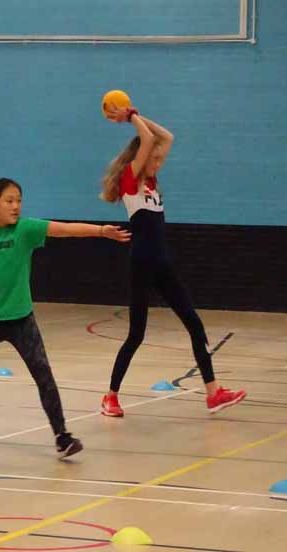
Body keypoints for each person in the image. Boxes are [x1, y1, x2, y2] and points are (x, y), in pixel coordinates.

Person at [0, 177, 131, 458]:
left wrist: (102, 231)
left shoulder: (26, 229)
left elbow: (66, 230)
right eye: (9, 200)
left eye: (19, 200)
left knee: (43, 376)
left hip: (21, 321)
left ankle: (62, 436)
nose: (16, 206)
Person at [99, 105, 246, 417]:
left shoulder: (152, 184)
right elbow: (149, 140)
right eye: (152, 157)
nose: (158, 160)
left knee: (194, 323)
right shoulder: (131, 181)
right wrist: (131, 119)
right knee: (136, 334)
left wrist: (137, 113)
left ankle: (213, 393)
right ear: (140, 158)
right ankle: (110, 396)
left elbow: (166, 136)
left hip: (163, 263)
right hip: (142, 263)